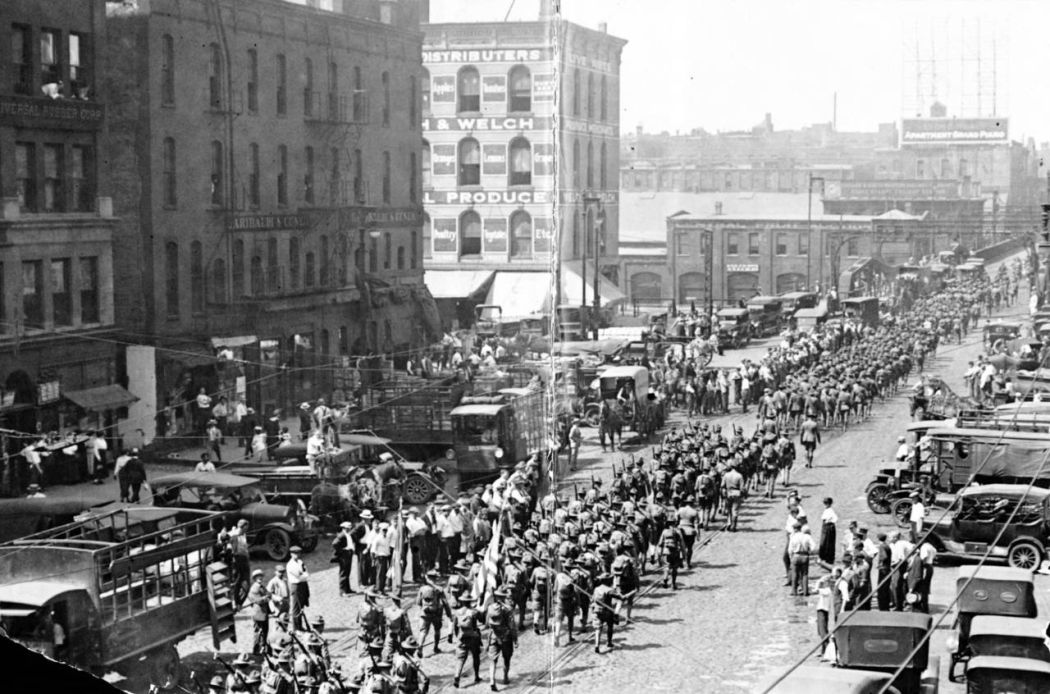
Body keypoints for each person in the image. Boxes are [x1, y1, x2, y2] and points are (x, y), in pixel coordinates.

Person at [485, 587, 518, 692]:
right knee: (506, 659)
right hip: (506, 638)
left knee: (493, 661)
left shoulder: (490, 607)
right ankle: (505, 677)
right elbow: (512, 626)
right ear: (504, 597)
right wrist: (515, 639)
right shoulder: (507, 609)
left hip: (494, 637)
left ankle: (492, 681)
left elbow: (487, 624)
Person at [417, 569, 453, 656]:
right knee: (437, 630)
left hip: (424, 613)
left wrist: (420, 612)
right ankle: (436, 647)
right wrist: (449, 614)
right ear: (435, 579)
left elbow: (418, 602)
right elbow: (445, 602)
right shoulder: (439, 589)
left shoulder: (422, 589)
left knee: (423, 632)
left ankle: (420, 646)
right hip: (436, 613)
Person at [451, 594, 484, 688]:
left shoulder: (457, 612)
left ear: (461, 601)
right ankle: (477, 676)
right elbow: (482, 620)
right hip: (473, 638)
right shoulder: (474, 612)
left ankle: (457, 676)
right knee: (476, 657)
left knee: (460, 659)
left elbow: (454, 627)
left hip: (462, 638)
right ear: (470, 601)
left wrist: (458, 636)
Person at [591, 572, 621, 654]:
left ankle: (597, 645)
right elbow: (619, 597)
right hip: (607, 611)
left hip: (597, 611)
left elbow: (593, 600)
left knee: (598, 629)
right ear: (608, 581)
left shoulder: (596, 589)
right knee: (610, 626)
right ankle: (609, 642)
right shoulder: (610, 590)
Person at [247, 569, 272, 656]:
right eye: (258, 577)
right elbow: (258, 600)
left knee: (265, 631)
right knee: (258, 631)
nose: (260, 578)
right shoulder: (255, 588)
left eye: (261, 576)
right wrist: (266, 598)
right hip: (258, 613)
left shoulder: (261, 586)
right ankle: (256, 649)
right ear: (255, 578)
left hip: (263, 612)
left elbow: (269, 594)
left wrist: (267, 596)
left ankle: (263, 647)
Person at [286, 546, 310, 632]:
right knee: (296, 608)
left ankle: (300, 626)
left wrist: (303, 575)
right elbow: (299, 575)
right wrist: (304, 575)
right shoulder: (290, 565)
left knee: (302, 606)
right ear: (291, 554)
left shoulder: (300, 562)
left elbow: (305, 572)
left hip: (303, 585)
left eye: (298, 553)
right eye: (295, 553)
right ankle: (296, 628)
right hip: (296, 586)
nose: (297, 555)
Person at [788, 524, 816, 597]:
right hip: (805, 556)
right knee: (805, 574)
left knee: (795, 574)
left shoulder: (793, 537)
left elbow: (790, 550)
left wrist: (791, 558)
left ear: (795, 529)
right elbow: (814, 547)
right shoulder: (807, 536)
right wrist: (809, 551)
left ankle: (794, 591)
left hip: (796, 556)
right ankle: (805, 591)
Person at [333, 521, 356, 597]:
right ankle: (342, 591)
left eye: (349, 528)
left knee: (347, 572)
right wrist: (341, 551)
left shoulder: (347, 534)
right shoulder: (341, 535)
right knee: (343, 573)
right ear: (343, 528)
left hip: (349, 553)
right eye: (347, 528)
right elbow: (335, 543)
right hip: (344, 554)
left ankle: (347, 589)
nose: (349, 529)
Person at [721, 463, 745, 531]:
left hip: (728, 493)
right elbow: (742, 488)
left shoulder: (726, 475)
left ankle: (729, 523)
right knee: (735, 510)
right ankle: (733, 526)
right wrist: (743, 495)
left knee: (729, 510)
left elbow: (722, 485)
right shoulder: (739, 475)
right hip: (737, 493)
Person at [267, 565, 290, 632]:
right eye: (279, 572)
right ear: (275, 572)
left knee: (285, 619)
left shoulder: (285, 580)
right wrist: (277, 598)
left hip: (285, 602)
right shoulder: (273, 581)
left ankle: (284, 634)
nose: (281, 573)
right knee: (277, 621)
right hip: (278, 604)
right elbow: (268, 594)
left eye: (282, 572)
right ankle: (276, 635)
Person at [818, 497, 838, 565]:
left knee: (828, 542)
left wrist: (829, 521)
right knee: (823, 541)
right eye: (825, 503)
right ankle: (823, 557)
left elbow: (835, 518)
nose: (826, 505)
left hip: (829, 527)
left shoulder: (831, 510)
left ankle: (829, 558)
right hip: (825, 527)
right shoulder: (826, 510)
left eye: (828, 503)